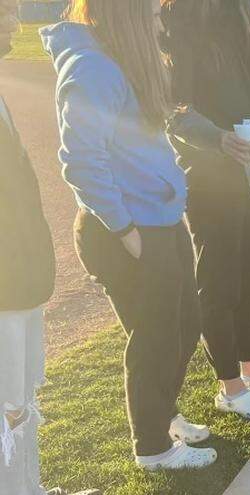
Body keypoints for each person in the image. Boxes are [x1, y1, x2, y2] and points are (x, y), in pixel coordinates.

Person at [42, 0, 217, 471]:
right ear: (130, 16)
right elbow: (81, 161)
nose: (162, 22)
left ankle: (164, 413)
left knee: (185, 325)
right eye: (155, 14)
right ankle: (152, 446)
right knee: (155, 337)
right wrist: (125, 230)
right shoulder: (91, 68)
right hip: (126, 230)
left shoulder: (120, 60)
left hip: (157, 221)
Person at [162, 0, 250, 421]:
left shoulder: (235, 19)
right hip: (211, 177)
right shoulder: (179, 25)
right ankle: (230, 386)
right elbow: (174, 109)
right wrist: (217, 137)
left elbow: (246, 92)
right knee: (219, 282)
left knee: (248, 274)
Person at [1, 0, 104, 495]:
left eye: (12, 13)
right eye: (2, 16)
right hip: (3, 283)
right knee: (4, 406)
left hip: (21, 275)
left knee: (24, 396)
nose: (12, 23)